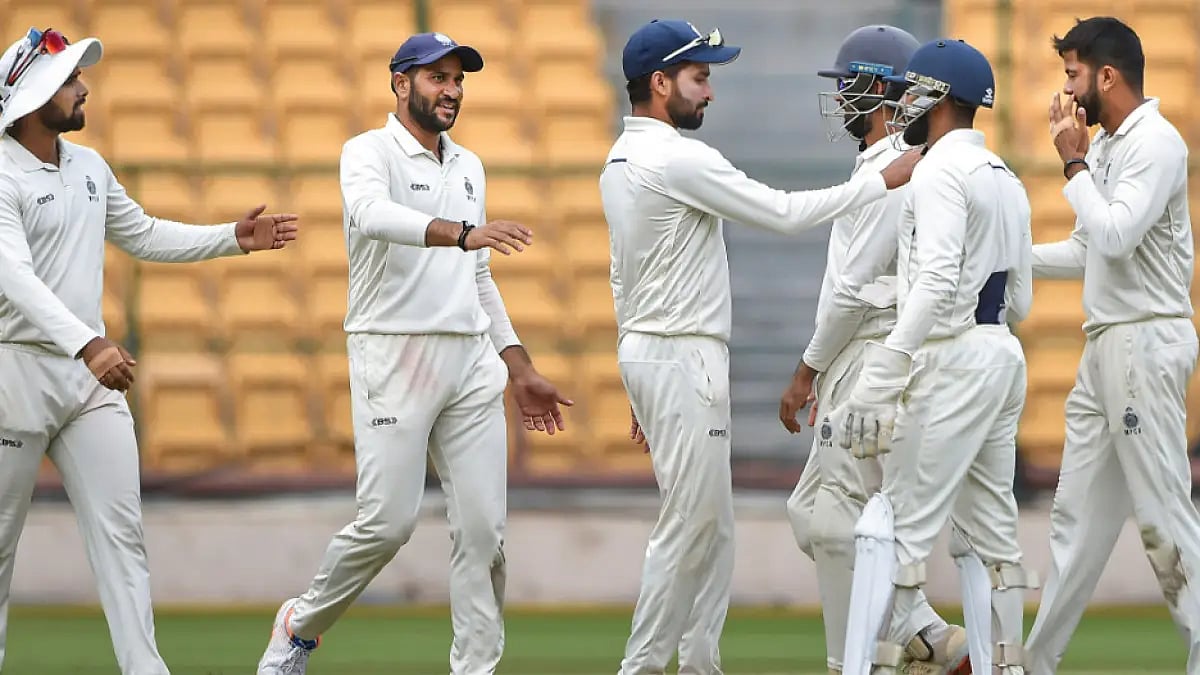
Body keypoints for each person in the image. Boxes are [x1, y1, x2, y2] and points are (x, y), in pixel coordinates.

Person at [599, 19, 921, 675]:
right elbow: (782, 213)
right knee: (689, 524)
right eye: (700, 77)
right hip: (680, 355)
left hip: (657, 350)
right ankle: (642, 666)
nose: (710, 92)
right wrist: (879, 181)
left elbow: (620, 275)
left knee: (712, 526)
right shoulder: (677, 158)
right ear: (660, 83)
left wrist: (636, 371)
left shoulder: (619, 159)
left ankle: (700, 663)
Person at [256, 32, 571, 675]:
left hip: (470, 362)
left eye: (458, 80)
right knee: (386, 525)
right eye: (437, 78)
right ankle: (299, 624)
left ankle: (475, 668)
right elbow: (371, 216)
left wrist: (519, 366)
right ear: (401, 83)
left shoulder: (470, 165)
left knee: (484, 534)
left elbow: (477, 276)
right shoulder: (367, 152)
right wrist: (461, 233)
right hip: (393, 352)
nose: (451, 91)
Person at [0, 27, 299, 675]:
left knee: (123, 538)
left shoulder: (89, 166)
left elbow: (143, 233)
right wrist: (89, 342)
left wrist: (233, 237)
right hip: (14, 375)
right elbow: (14, 278)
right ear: (32, 96)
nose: (83, 87)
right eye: (69, 79)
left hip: (88, 383)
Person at [833, 38, 1036, 675]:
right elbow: (1022, 299)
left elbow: (940, 278)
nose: (905, 104)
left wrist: (888, 367)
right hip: (1002, 355)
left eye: (915, 91)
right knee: (992, 536)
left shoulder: (939, 171)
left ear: (940, 98)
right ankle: (1004, 666)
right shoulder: (1005, 176)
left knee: (891, 530)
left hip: (951, 360)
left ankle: (867, 667)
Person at [778, 24, 969, 675]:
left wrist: (806, 371)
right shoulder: (888, 165)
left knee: (838, 523)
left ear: (884, 91)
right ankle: (924, 634)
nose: (842, 98)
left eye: (851, 85)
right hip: (867, 354)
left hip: (869, 354)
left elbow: (853, 288)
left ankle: (855, 661)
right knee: (810, 512)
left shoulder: (897, 170)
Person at [1023, 17, 1200, 673]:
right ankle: (1035, 663)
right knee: (1073, 524)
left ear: (1106, 75)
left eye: (1073, 75)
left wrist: (1072, 161)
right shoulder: (1105, 147)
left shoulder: (1157, 143)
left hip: (1145, 342)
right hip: (1106, 347)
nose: (1067, 92)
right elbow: (1088, 248)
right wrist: (1006, 258)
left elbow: (1117, 235)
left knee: (1163, 519)